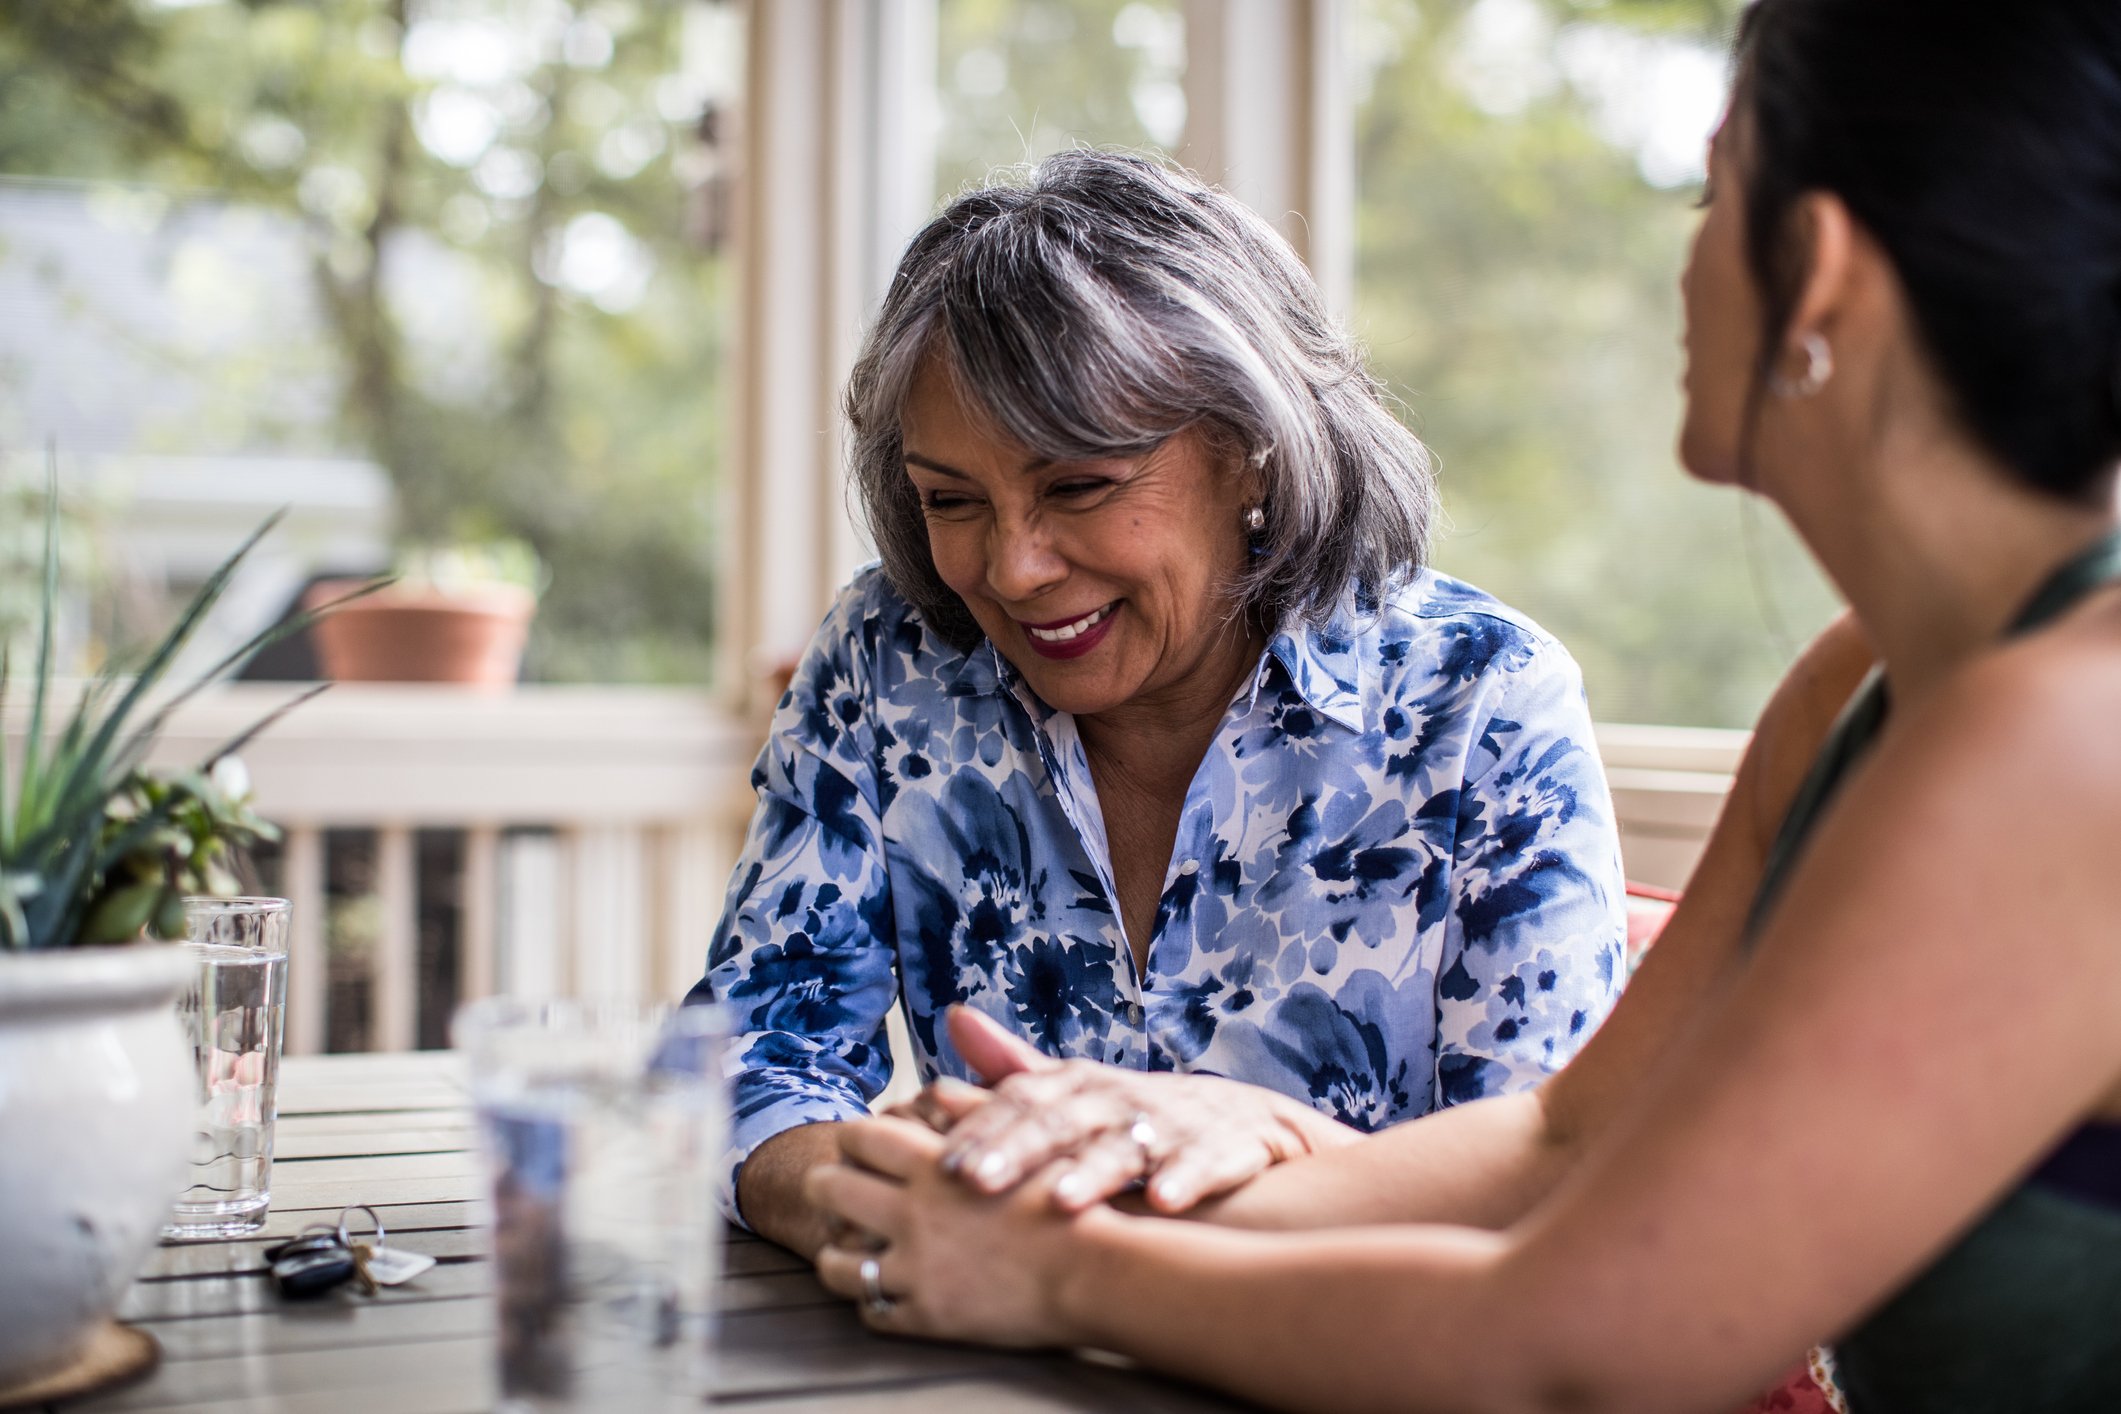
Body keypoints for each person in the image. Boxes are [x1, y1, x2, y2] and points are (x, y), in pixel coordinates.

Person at [802, 2, 2121, 1408]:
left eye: (1705, 198)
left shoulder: (2067, 736)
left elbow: (1577, 1347)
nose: (1677, 263)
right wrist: (1073, 1181)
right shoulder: (1851, 692)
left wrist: (1055, 1274)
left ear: (1819, 275)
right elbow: (1559, 1143)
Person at [690, 150, 1629, 1258]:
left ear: (1254, 453)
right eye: (952, 499)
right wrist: (895, 1201)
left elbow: (1561, 1179)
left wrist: (1227, 1153)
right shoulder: (886, 660)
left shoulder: (1484, 702)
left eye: (1078, 485)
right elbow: (744, 1065)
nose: (1015, 566)